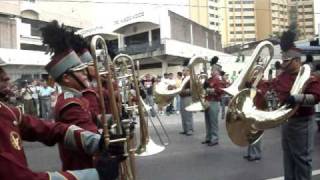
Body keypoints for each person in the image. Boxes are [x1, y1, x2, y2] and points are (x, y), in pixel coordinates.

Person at [0, 63, 124, 180]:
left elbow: (50, 129)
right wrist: (94, 175)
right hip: (82, 165)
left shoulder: (7, 111)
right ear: (66, 78)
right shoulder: (70, 102)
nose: (7, 77)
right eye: (80, 71)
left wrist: (98, 141)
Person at [254, 31, 320, 179]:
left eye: (286, 60)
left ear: (296, 60)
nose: (283, 63)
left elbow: (316, 97)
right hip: (287, 120)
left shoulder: (309, 76)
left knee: (302, 160)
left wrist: (296, 98)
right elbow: (271, 85)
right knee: (288, 158)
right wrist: (254, 85)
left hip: (302, 122)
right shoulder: (283, 75)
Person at [41, 20, 101, 171]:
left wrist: (113, 120)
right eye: (80, 71)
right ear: (67, 78)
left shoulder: (77, 98)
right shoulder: (70, 105)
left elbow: (94, 117)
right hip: (84, 170)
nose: (85, 73)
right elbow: (91, 138)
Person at [201, 57, 224, 146]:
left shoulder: (218, 79)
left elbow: (220, 91)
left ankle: (214, 139)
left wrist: (209, 89)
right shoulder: (210, 79)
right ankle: (208, 138)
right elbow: (205, 88)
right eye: (212, 68)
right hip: (208, 101)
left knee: (213, 122)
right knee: (208, 121)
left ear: (217, 70)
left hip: (214, 101)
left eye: (213, 69)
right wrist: (205, 86)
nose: (211, 70)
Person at [179, 62, 194, 136]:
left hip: (188, 97)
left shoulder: (190, 79)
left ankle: (190, 129)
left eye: (184, 70)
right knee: (183, 113)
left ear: (188, 71)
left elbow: (192, 89)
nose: (183, 72)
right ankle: (185, 129)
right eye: (183, 70)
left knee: (188, 114)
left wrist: (184, 91)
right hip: (182, 96)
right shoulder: (184, 78)